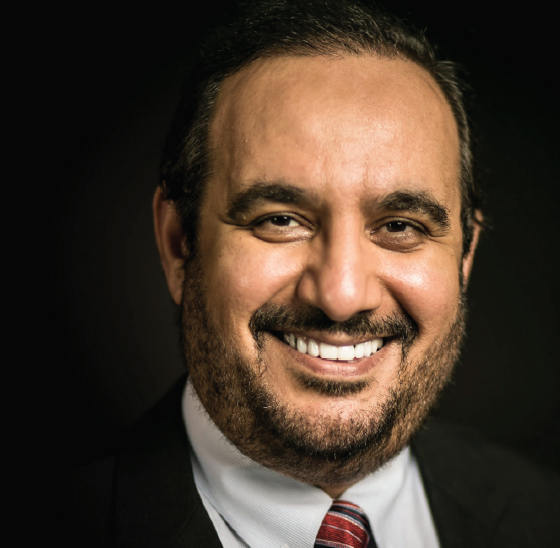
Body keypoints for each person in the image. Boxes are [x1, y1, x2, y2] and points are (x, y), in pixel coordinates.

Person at [61, 1, 559, 546]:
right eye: (280, 220)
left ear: (465, 257)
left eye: (399, 226)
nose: (341, 296)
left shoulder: (541, 515)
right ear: (179, 245)